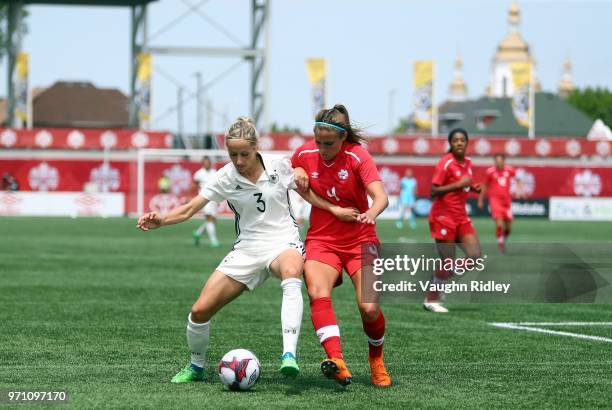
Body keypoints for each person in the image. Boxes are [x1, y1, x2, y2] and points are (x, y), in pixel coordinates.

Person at [138, 117, 357, 383]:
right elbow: (189, 208)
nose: (239, 161)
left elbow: (307, 189)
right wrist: (162, 219)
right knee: (199, 311)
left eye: (244, 153)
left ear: (256, 147)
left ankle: (289, 356)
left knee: (291, 272)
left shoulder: (279, 165)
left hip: (282, 241)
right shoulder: (225, 177)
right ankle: (196, 367)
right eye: (233, 154)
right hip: (247, 249)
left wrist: (331, 206)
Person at [292, 104, 392, 388]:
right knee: (316, 292)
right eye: (318, 142)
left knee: (370, 308)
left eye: (329, 143)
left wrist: (370, 214)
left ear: (343, 138)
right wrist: (299, 169)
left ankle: (376, 359)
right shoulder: (305, 153)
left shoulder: (358, 156)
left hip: (362, 240)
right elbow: (299, 177)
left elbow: (381, 197)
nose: (322, 149)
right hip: (322, 241)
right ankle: (336, 360)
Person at [425, 128, 482, 313]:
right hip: (443, 217)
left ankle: (447, 274)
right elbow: (433, 191)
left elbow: (464, 183)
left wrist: (473, 188)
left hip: (461, 217)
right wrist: (459, 185)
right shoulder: (445, 162)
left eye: (462, 140)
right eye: (455, 140)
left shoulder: (468, 162)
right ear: (450, 143)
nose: (459, 143)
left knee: (474, 255)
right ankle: (431, 299)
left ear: (466, 143)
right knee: (448, 261)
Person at [478, 153, 521, 252]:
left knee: (508, 227)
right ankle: (500, 244)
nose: (498, 163)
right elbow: (484, 186)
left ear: (504, 161)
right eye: (496, 161)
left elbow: (519, 180)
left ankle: (503, 239)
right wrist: (480, 200)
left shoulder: (510, 170)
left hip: (507, 201)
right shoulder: (490, 171)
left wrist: (519, 192)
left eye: (500, 161)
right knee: (499, 223)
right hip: (495, 201)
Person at [192, 157, 220, 247]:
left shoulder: (214, 172)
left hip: (214, 198)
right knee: (209, 218)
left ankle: (198, 233)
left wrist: (218, 198)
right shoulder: (198, 174)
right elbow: (194, 185)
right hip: (204, 198)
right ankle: (214, 241)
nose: (207, 164)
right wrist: (189, 196)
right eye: (205, 162)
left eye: (208, 162)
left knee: (213, 219)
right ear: (203, 163)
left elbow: (217, 186)